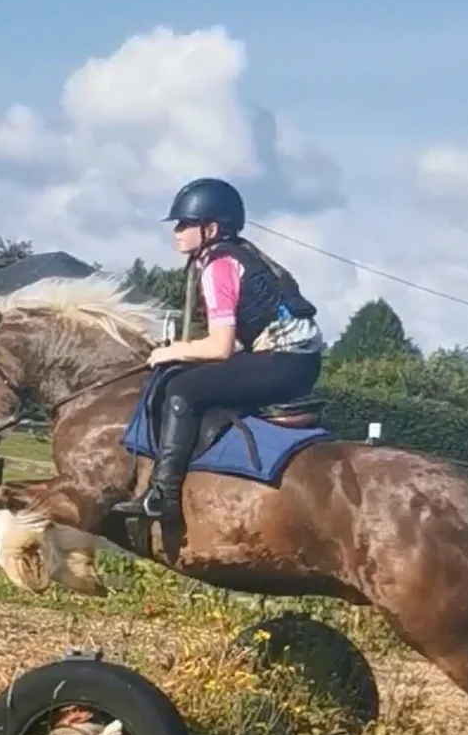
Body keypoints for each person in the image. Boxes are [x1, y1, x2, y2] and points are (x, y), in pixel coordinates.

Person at [112, 177, 325, 524]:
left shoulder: (219, 265)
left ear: (210, 228)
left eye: (185, 223)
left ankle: (163, 496)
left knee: (181, 388)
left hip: (284, 361)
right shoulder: (238, 254)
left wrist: (172, 351)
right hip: (294, 358)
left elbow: (220, 346)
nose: (177, 231)